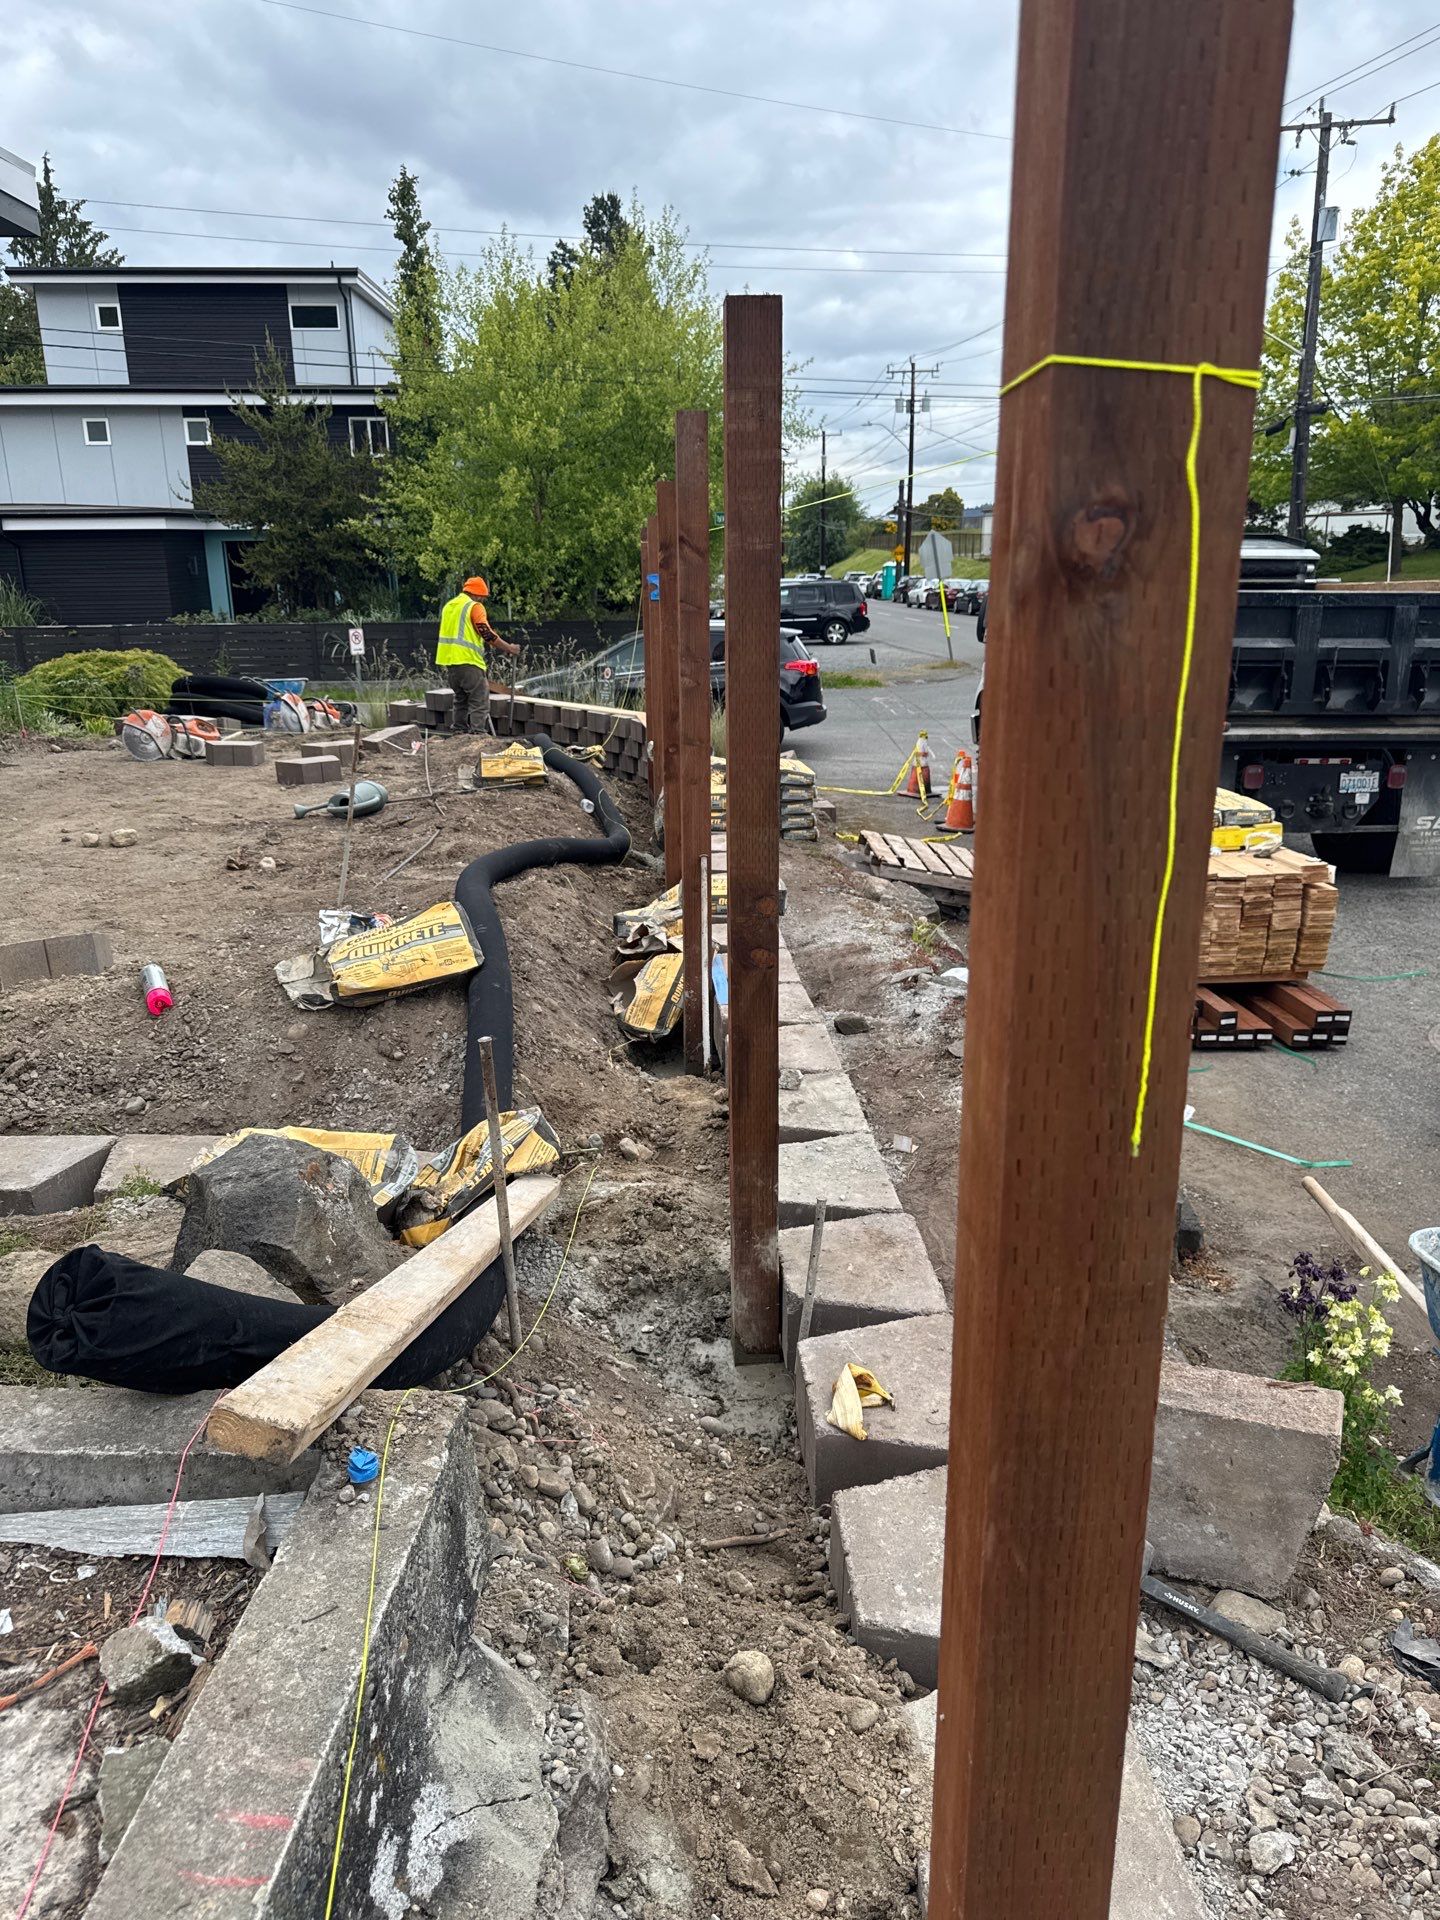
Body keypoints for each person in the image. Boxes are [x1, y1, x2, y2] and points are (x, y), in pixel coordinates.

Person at [435, 575, 520, 734]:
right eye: (482, 597)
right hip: (468, 661)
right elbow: (486, 633)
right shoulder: (473, 606)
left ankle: (459, 731)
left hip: (450, 662)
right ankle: (477, 736)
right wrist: (509, 648)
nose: (482, 601)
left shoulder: (450, 606)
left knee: (461, 699)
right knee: (479, 699)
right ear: (477, 594)